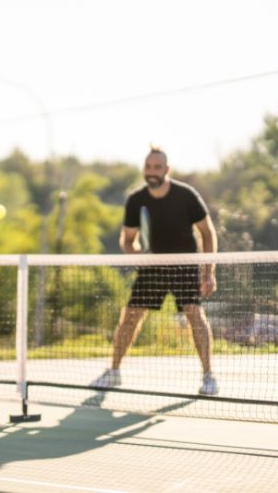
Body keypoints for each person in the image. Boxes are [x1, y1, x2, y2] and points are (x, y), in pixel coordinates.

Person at [93, 146, 219, 396]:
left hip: (185, 265)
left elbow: (207, 233)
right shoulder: (136, 200)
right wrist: (137, 256)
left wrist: (209, 272)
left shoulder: (187, 196)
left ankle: (208, 376)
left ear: (167, 170)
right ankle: (114, 372)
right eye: (148, 167)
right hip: (153, 267)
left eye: (157, 167)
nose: (152, 172)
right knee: (130, 316)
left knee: (194, 314)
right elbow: (127, 240)